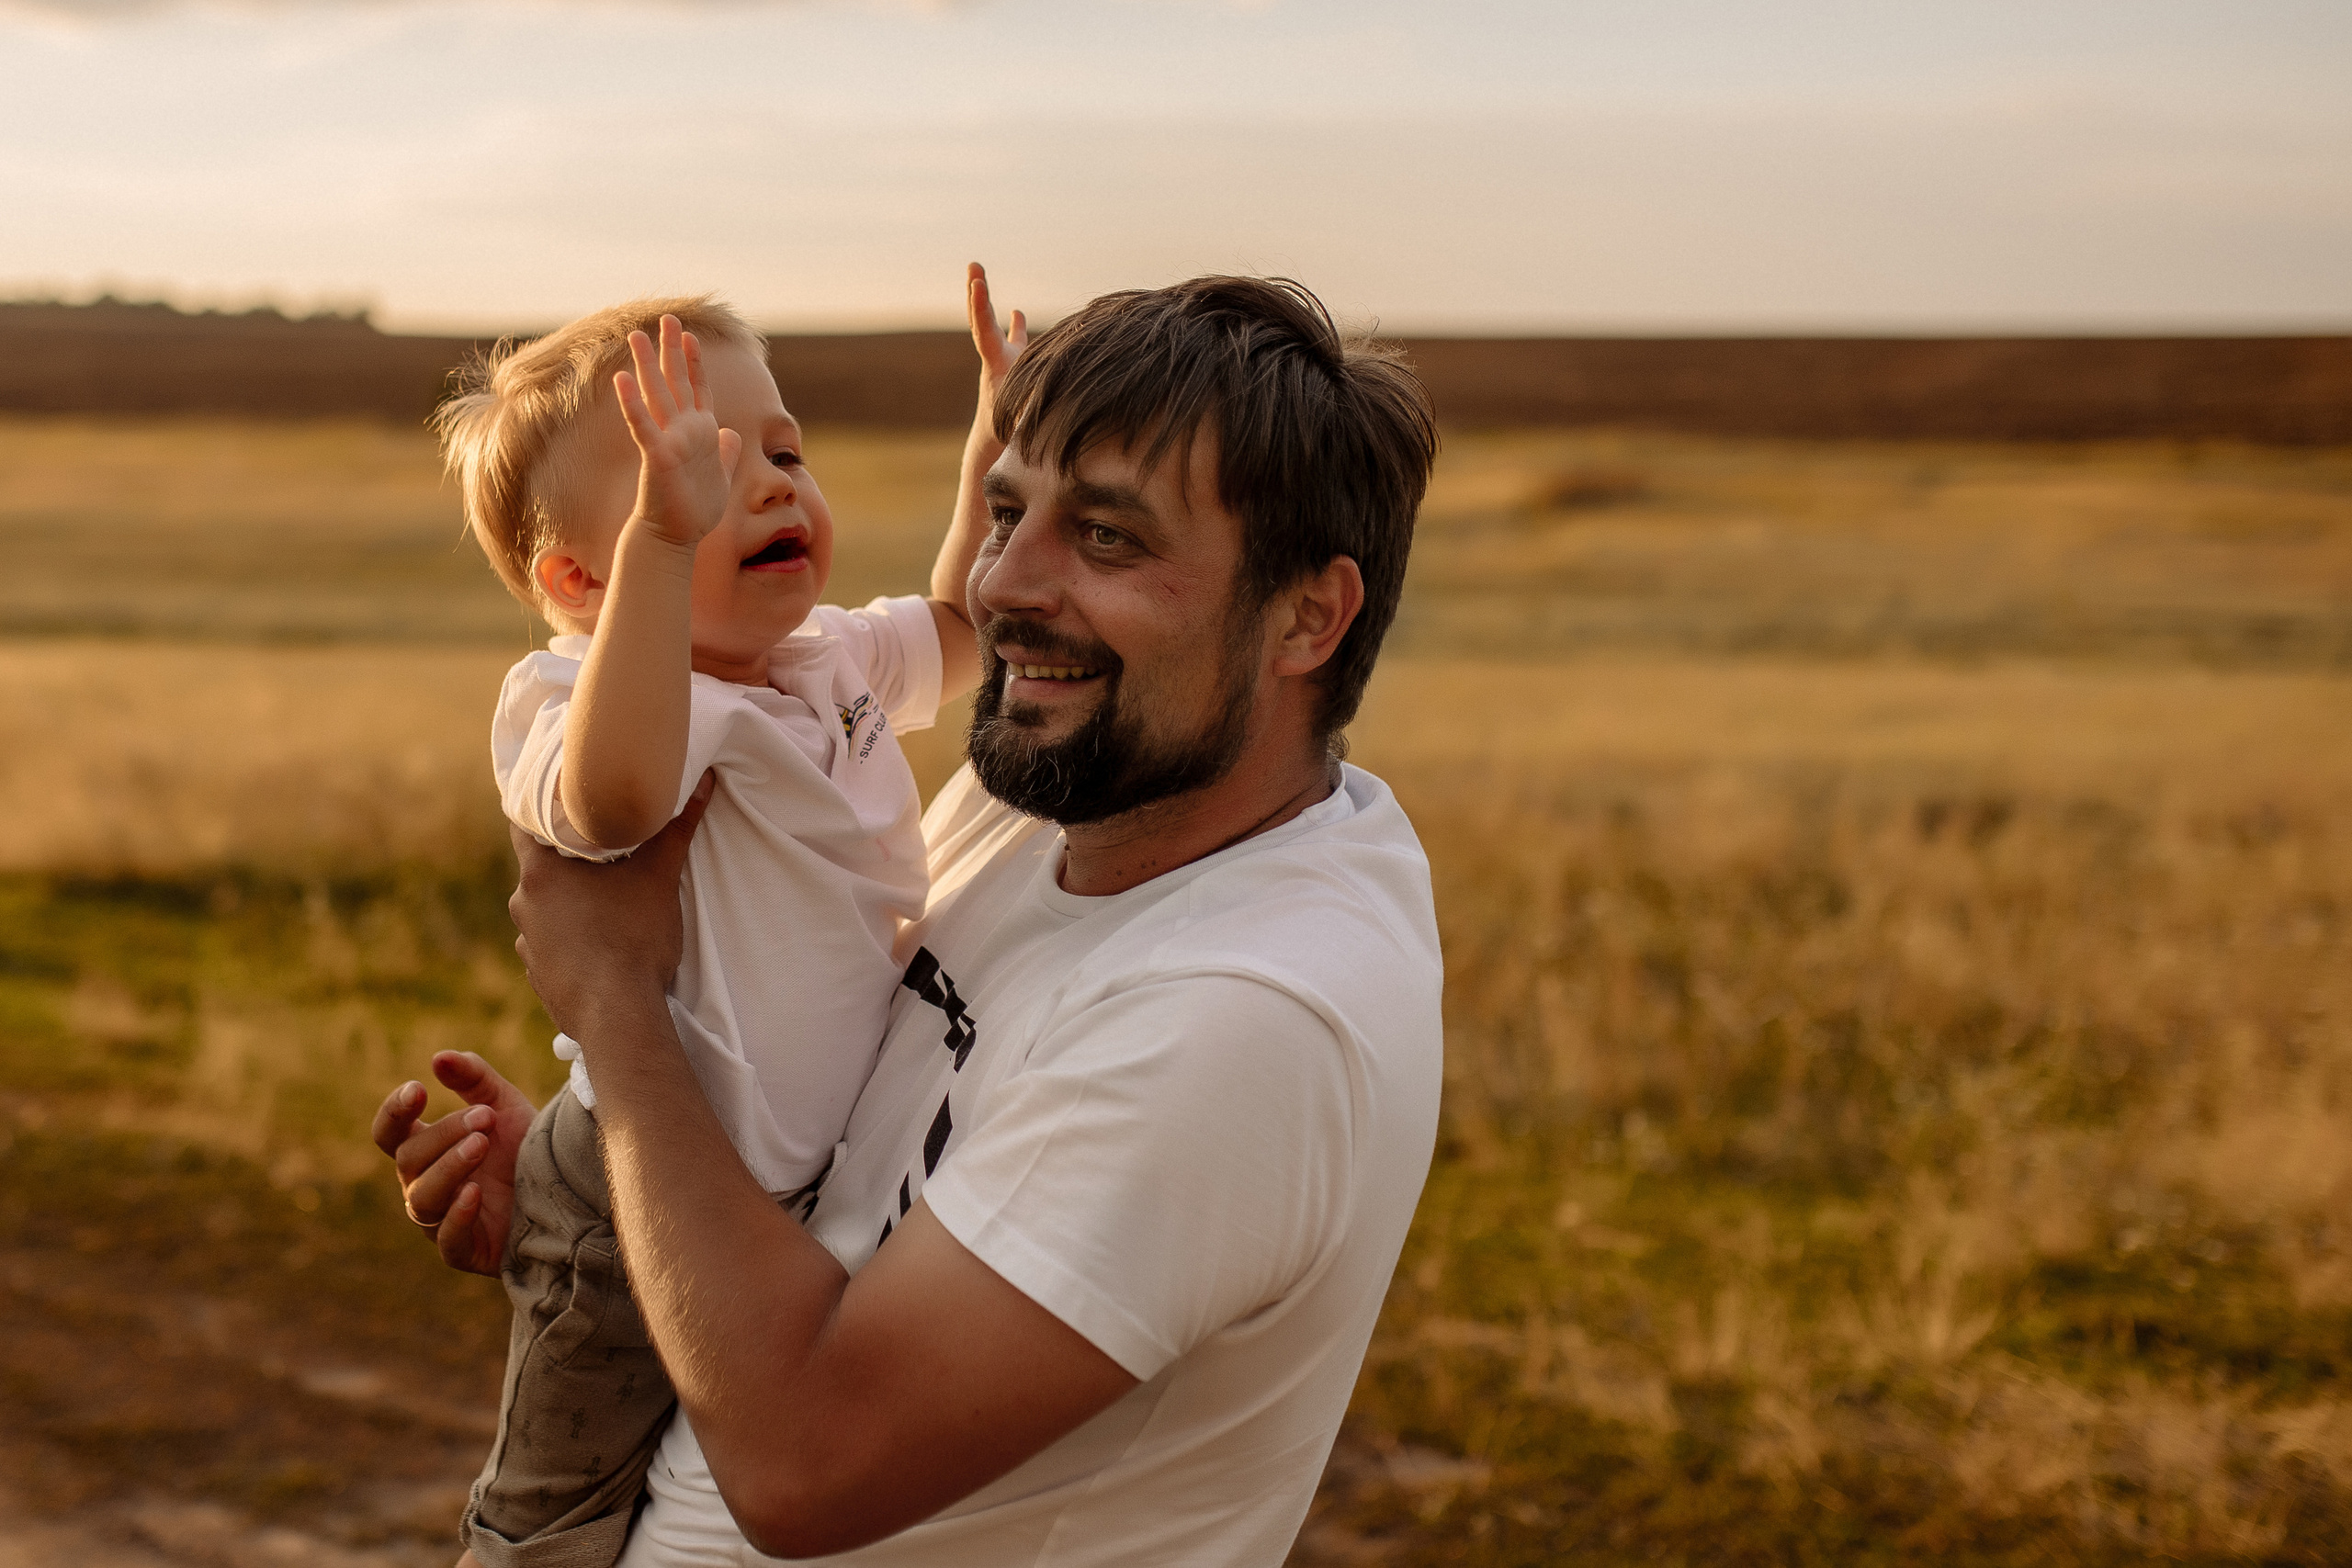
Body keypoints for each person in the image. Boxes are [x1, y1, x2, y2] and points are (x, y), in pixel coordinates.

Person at [377, 275, 1444, 1566]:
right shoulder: (1055, 799)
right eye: (1005, 511)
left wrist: (617, 1016)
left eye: (1105, 537)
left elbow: (803, 1467)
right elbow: (821, 1103)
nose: (1002, 588)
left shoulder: (1243, 1020)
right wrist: (601, 1195)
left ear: (1309, 616)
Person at [424, 271, 1023, 1564]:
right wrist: (660, 551)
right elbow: (616, 798)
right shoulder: (572, 695)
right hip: (641, 1188)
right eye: (684, 472)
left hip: (777, 1208)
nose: (755, 485)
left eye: (781, 451)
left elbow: (973, 620)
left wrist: (993, 437)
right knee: (561, 1507)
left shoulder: (830, 660)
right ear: (576, 575)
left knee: (685, 1510)